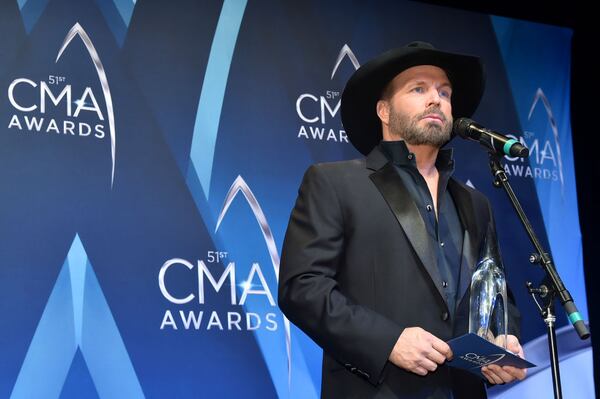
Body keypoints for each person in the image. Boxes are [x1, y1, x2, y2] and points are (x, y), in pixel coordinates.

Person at [278, 41, 527, 399]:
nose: (436, 99)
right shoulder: (334, 182)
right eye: (419, 89)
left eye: (444, 92)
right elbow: (301, 287)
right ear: (383, 110)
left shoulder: (476, 202)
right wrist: (389, 341)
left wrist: (503, 337)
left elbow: (499, 294)